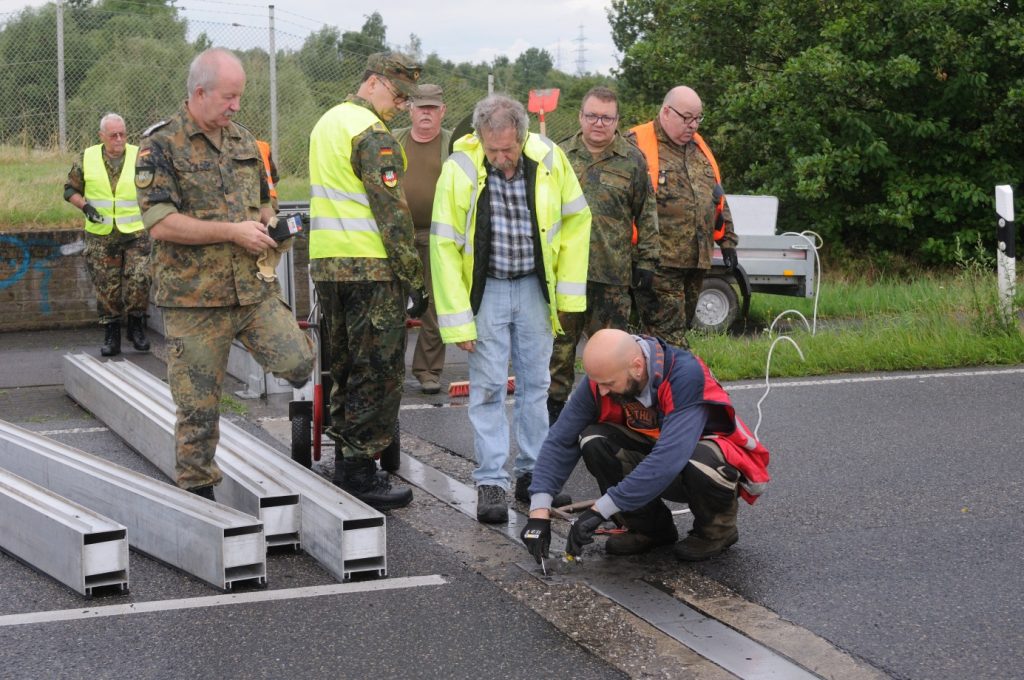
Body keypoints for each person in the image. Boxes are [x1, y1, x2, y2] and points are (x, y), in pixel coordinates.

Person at [134, 47, 314, 499]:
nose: (236, 106)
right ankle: (200, 499)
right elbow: (160, 222)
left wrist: (269, 224)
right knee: (197, 410)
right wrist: (232, 232)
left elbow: (265, 198)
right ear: (200, 92)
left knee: (299, 361)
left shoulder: (244, 142)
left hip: (251, 292)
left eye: (239, 97)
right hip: (194, 300)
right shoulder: (159, 146)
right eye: (229, 97)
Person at [431, 94, 591, 523]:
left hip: (536, 290)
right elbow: (443, 246)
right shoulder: (459, 167)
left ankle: (535, 477)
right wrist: (457, 320)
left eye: (508, 149)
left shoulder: (551, 159)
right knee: (486, 389)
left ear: (521, 135)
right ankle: (491, 483)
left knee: (537, 387)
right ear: (479, 137)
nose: (501, 158)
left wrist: (569, 297)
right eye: (492, 150)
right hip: (489, 294)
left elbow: (577, 220)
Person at [521, 328, 769, 562]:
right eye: (599, 384)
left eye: (609, 384)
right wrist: (539, 512)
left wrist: (600, 510)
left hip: (699, 463)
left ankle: (717, 531)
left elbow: (667, 461)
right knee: (593, 439)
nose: (603, 392)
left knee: (700, 459)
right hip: (656, 455)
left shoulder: (685, 375)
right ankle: (650, 529)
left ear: (637, 367)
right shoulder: (602, 379)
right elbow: (560, 439)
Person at [307, 51, 427, 510]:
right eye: (398, 94)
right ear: (374, 83)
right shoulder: (371, 134)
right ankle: (359, 469)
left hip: (328, 263)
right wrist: (412, 278)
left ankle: (345, 462)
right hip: (370, 268)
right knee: (377, 371)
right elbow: (392, 213)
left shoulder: (327, 123)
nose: (400, 105)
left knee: (343, 364)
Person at [547, 86, 660, 424]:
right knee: (559, 352)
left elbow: (648, 212)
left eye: (606, 117)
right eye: (592, 115)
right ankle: (554, 418)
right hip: (567, 274)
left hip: (612, 276)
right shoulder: (560, 155)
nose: (599, 123)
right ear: (581, 116)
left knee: (612, 353)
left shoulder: (633, 159)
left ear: (616, 120)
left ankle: (612, 421)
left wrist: (648, 261)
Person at [627, 86, 739, 344]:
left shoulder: (699, 148)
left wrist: (728, 241)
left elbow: (716, 197)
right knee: (670, 338)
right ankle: (679, 381)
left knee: (675, 332)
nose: (693, 125)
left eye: (698, 118)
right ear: (666, 112)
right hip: (657, 264)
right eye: (686, 118)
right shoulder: (635, 145)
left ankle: (654, 380)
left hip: (695, 263)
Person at [64, 112, 152, 357]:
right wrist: (85, 206)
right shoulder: (88, 157)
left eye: (122, 134)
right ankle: (111, 332)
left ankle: (136, 327)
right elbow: (69, 189)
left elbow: (156, 187)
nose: (118, 139)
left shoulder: (140, 157)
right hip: (101, 234)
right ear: (102, 136)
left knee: (140, 278)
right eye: (113, 135)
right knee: (106, 286)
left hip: (135, 232)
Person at [393, 84, 452, 395]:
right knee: (391, 305)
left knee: (433, 305)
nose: (426, 113)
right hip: (396, 235)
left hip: (438, 235)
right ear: (410, 109)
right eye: (421, 107)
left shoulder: (454, 143)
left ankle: (428, 371)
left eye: (432, 108)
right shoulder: (392, 139)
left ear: (442, 111)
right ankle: (390, 373)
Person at [255, 139, 279, 211]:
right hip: (270, 199)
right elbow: (274, 178)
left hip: (249, 201)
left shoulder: (231, 146)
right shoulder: (263, 146)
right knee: (271, 222)